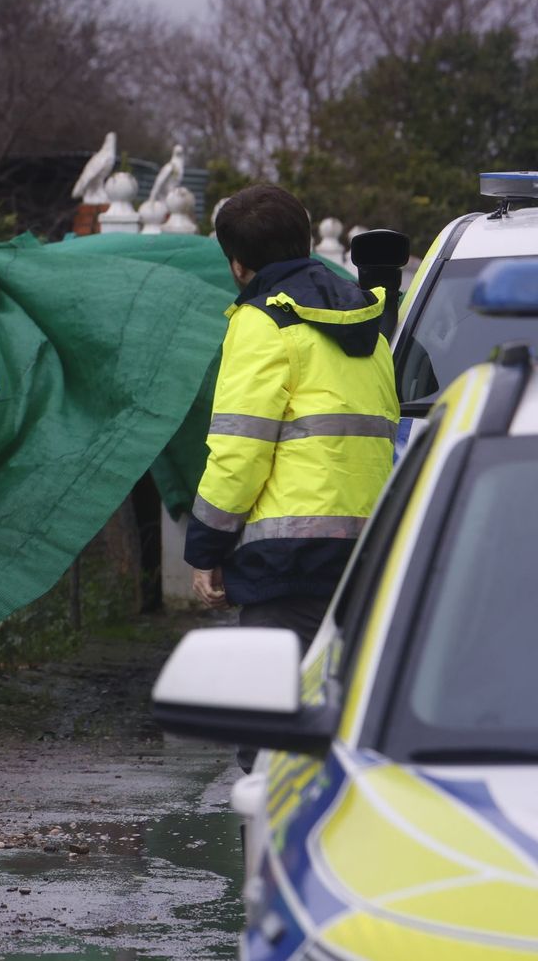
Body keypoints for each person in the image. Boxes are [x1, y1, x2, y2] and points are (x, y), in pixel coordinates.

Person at [184, 184, 397, 771]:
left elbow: (238, 451)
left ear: (237, 264)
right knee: (348, 735)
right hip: (367, 556)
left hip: (287, 564)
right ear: (306, 243)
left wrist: (204, 549)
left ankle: (274, 858)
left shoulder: (261, 322)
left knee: (267, 748)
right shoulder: (368, 323)